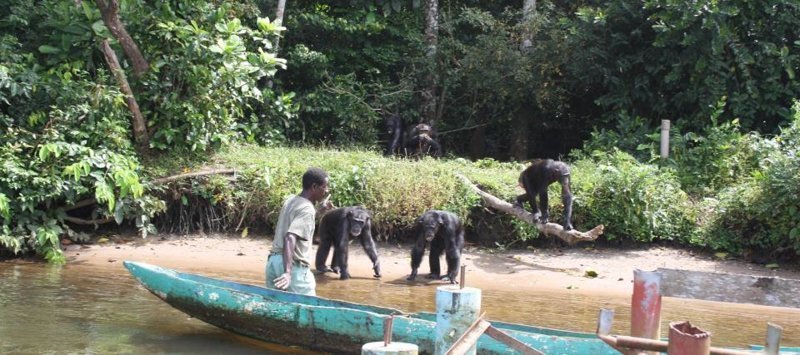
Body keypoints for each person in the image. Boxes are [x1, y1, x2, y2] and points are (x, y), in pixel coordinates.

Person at [266, 167, 333, 295]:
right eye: (324, 187)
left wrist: (319, 211)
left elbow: (298, 220)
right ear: (314, 187)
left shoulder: (291, 200)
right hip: (292, 266)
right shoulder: (307, 209)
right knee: (309, 310)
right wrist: (287, 272)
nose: (326, 190)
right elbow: (290, 237)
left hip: (273, 262)